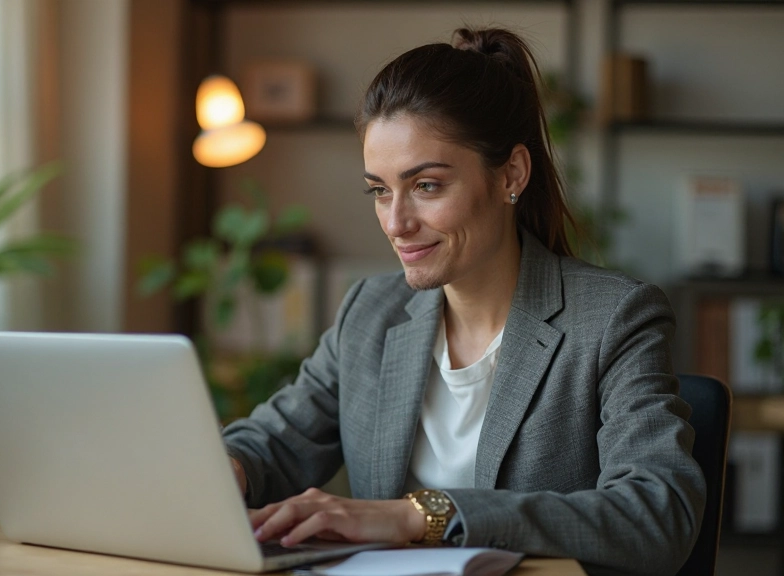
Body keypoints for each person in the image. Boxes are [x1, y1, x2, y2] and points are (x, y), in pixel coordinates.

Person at [221, 27, 705, 576]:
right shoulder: (370, 314)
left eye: (426, 186)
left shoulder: (613, 318)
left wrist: (419, 516)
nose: (396, 223)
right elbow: (275, 442)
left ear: (511, 175)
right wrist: (224, 470)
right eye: (380, 190)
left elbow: (656, 515)